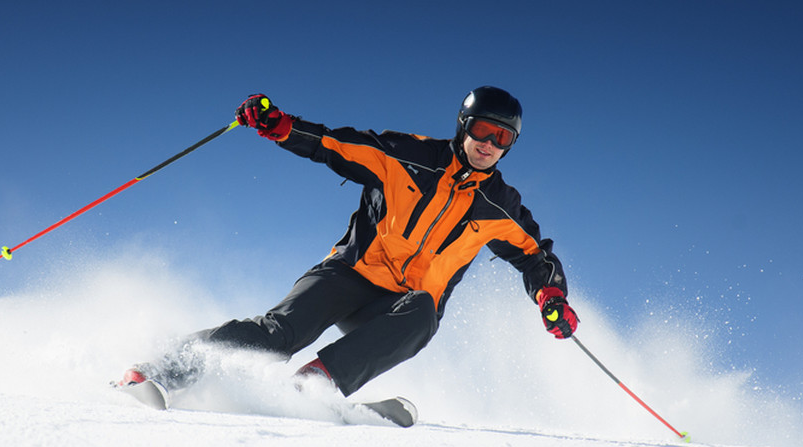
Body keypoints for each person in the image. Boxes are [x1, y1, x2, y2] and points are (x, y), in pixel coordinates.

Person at [119, 86, 579, 399]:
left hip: (395, 308)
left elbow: (536, 256)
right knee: (278, 335)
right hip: (349, 274)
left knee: (424, 314)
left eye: (502, 138)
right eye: (482, 130)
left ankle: (314, 385)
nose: (488, 144)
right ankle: (159, 370)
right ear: (464, 125)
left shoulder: (499, 206)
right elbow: (334, 145)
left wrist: (550, 296)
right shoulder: (408, 156)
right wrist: (281, 126)